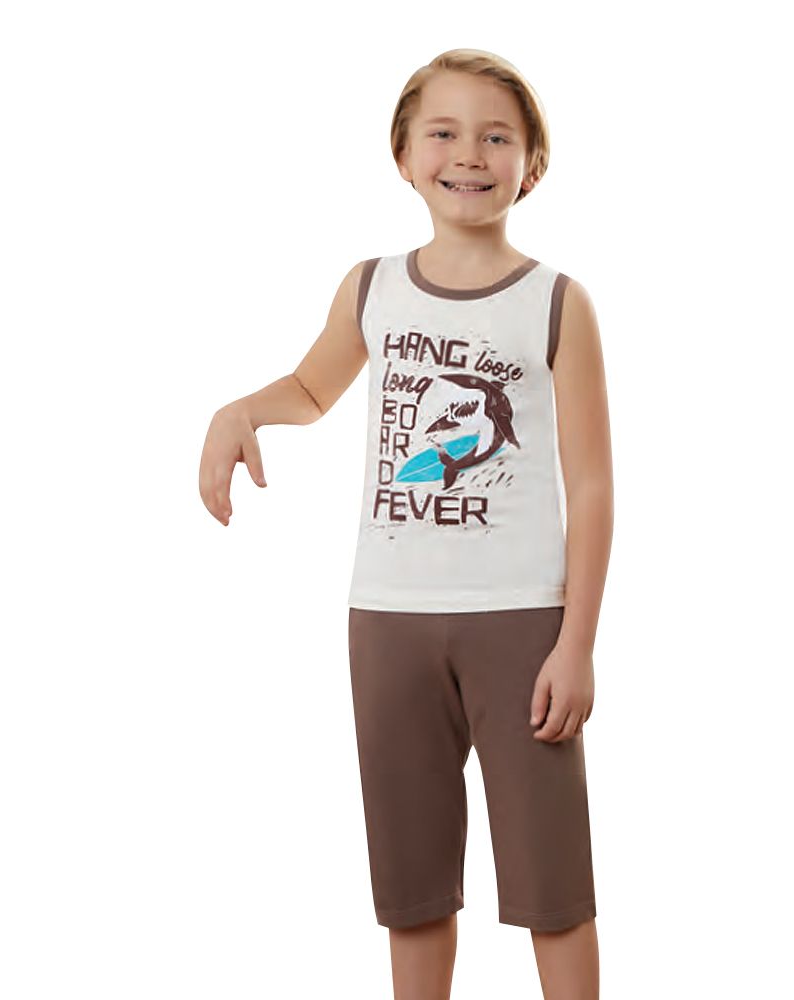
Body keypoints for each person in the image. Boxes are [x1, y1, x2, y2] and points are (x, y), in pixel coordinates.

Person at [199, 48, 613, 1000]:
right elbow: (312, 389)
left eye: (496, 137)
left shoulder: (557, 302)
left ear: (531, 166)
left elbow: (591, 483)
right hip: (388, 621)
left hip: (521, 623)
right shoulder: (371, 287)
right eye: (444, 132)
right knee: (413, 887)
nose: (468, 154)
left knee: (553, 886)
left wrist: (577, 642)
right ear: (403, 155)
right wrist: (238, 412)